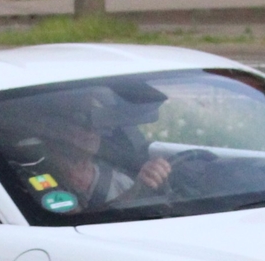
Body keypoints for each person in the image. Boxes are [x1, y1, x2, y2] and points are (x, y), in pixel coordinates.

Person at [18, 86, 171, 212]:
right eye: (79, 118)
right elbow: (73, 223)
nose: (91, 127)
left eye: (94, 118)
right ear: (49, 129)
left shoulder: (120, 181)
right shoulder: (32, 180)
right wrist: (135, 191)